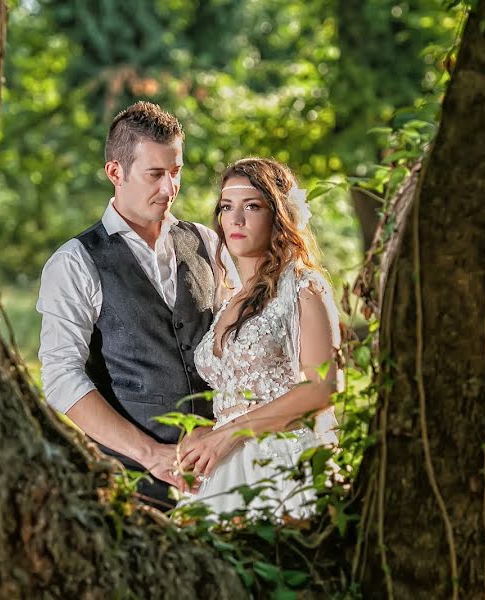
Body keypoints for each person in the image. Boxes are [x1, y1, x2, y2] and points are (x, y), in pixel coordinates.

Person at [36, 101, 238, 509]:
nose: (170, 188)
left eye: (176, 171)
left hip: (223, 472)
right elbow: (61, 377)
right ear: (116, 172)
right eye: (155, 174)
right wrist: (152, 455)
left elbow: (234, 347)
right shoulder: (75, 262)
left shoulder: (206, 242)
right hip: (133, 486)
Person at [175, 157, 341, 518]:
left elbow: (323, 387)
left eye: (252, 206)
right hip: (222, 468)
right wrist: (208, 432)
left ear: (278, 216)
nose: (235, 219)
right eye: (227, 207)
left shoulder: (303, 287)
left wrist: (230, 433)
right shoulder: (227, 299)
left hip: (281, 460)